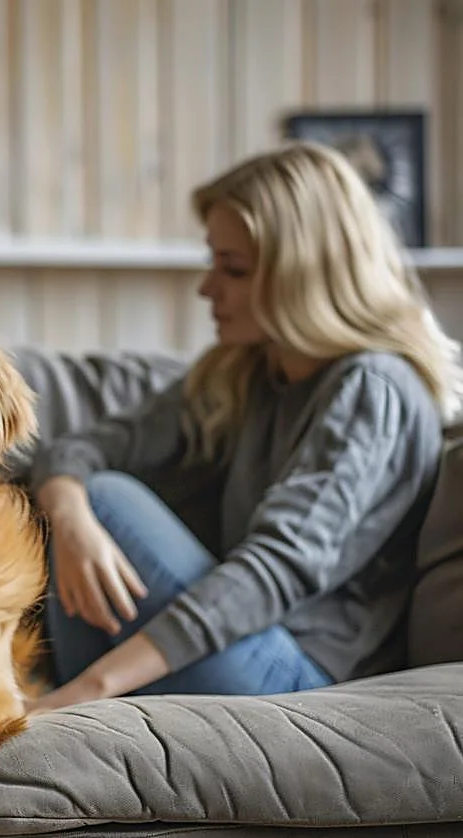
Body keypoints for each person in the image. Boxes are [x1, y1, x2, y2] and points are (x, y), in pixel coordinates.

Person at [28, 141, 463, 712]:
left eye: (232, 269)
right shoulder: (247, 372)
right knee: (85, 502)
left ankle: (81, 710)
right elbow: (78, 448)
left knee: (107, 500)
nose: (208, 288)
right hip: (235, 651)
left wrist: (90, 687)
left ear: (302, 275)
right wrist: (69, 515)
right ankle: (85, 722)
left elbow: (274, 571)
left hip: (307, 680)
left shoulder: (372, 389)